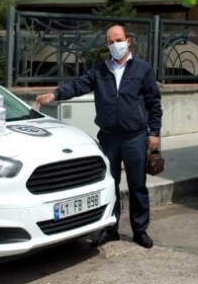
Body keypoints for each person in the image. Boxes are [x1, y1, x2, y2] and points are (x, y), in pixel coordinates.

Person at [35, 23, 162, 249]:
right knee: (109, 184)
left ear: (128, 41)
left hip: (135, 137)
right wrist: (54, 94)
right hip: (108, 138)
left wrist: (154, 133)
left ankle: (140, 230)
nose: (116, 45)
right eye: (111, 42)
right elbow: (77, 86)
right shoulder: (100, 70)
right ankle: (109, 228)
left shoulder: (142, 69)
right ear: (107, 45)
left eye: (119, 40)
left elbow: (154, 103)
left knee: (137, 186)